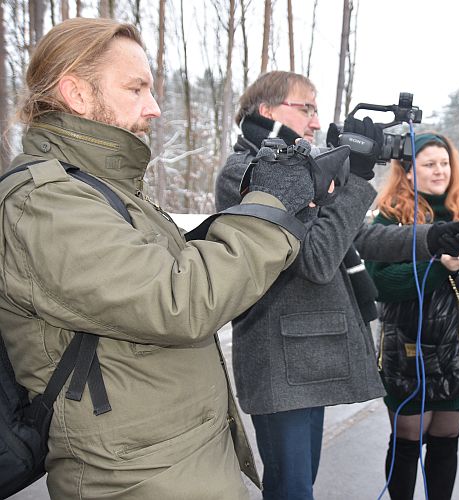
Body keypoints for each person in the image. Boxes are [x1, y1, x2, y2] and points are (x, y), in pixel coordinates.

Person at [0, 18, 326, 499]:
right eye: (136, 89)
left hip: (174, 458)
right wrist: (269, 209)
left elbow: (170, 266)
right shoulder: (44, 202)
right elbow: (177, 299)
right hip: (137, 476)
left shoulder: (102, 188)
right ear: (76, 93)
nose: (153, 107)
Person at [215, 72, 459, 500]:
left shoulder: (300, 165)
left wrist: (431, 239)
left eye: (317, 110)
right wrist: (356, 177)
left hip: (311, 353)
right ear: (266, 111)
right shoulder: (247, 173)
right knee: (292, 490)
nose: (317, 121)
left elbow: (352, 237)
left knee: (302, 486)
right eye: (307, 108)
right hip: (279, 358)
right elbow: (318, 259)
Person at [365, 132, 459, 500]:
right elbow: (380, 284)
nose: (440, 171)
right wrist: (440, 268)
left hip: (458, 350)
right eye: (430, 164)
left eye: (445, 163)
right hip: (408, 348)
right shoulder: (390, 218)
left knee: (446, 441)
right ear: (407, 171)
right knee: (407, 442)